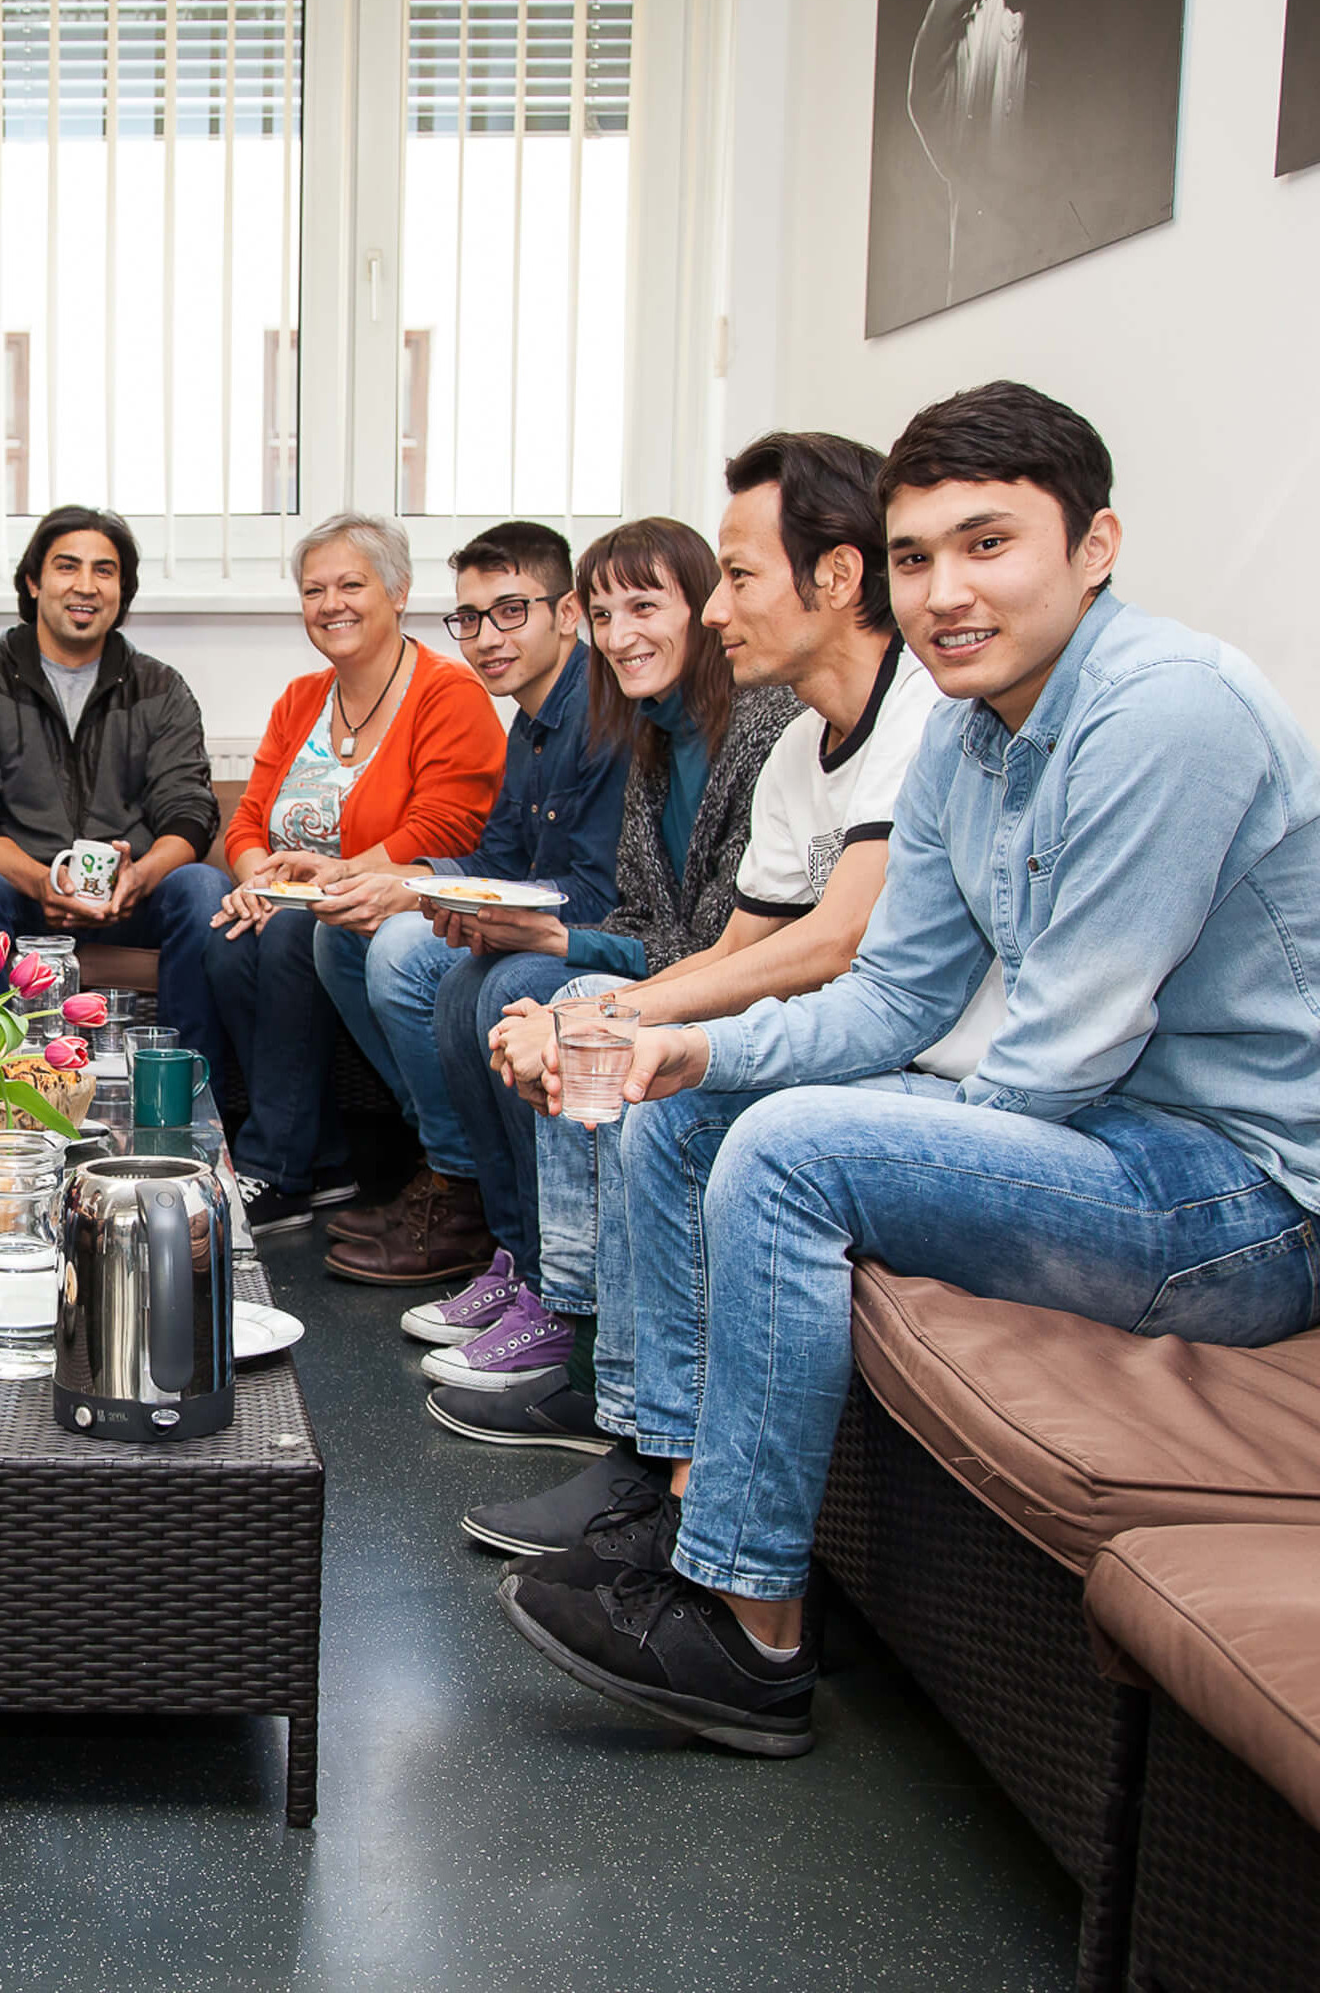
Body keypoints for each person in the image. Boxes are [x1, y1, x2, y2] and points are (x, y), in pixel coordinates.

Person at [497, 382, 1320, 1759]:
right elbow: (891, 993)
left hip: (1236, 1204)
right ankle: (669, 1493)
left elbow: (1050, 1060)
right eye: (913, 556)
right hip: (1099, 1135)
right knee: (695, 1112)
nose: (942, 591)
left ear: (1093, 547)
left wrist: (850, 1134)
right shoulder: (963, 730)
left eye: (985, 545)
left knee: (791, 1151)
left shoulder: (1163, 712)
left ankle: (744, 1627)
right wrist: (686, 1047)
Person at [443, 433, 1003, 1543]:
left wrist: (617, 1012)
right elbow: (741, 943)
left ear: (837, 579)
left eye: (735, 578)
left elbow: (832, 946)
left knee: (676, 1108)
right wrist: (590, 1014)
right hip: (873, 1039)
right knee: (638, 1079)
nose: (710, 611)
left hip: (933, 1063)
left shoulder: (922, 721)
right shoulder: (805, 749)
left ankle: (666, 1475)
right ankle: (643, 1450)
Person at [387, 519, 798, 1351]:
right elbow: (645, 913)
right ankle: (520, 1258)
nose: (619, 635)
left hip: (737, 988)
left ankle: (562, 1301)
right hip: (659, 960)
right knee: (471, 979)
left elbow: (718, 941)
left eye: (643, 607)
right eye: (606, 615)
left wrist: (551, 945)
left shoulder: (757, 730)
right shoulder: (647, 731)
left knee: (509, 986)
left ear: (707, 608)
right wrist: (514, 927)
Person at [305, 521, 626, 1282]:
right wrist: (400, 884)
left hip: (585, 936)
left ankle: (464, 1189)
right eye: (470, 619)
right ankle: (448, 1166)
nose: (485, 638)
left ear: (569, 612)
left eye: (510, 611)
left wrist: (424, 896)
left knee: (397, 952)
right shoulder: (532, 718)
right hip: (537, 911)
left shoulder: (601, 715)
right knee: (344, 932)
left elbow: (594, 895)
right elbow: (499, 860)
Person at [204, 513, 506, 1232]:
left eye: (350, 584)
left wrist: (322, 885)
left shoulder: (447, 693)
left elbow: (443, 831)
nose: (330, 603)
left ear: (397, 592)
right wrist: (257, 883)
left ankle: (274, 1168)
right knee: (228, 934)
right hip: (303, 898)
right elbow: (247, 822)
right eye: (314, 590)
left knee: (287, 937)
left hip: (397, 900)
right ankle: (325, 1159)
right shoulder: (300, 698)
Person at [0, 507, 229, 1058]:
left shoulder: (160, 687)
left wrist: (139, 877)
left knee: (204, 889)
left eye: (105, 570)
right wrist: (38, 880)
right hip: (21, 894)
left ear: (123, 589)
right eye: (67, 567)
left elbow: (189, 809)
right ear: (33, 581)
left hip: (133, 897)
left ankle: (187, 1093)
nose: (85, 586)